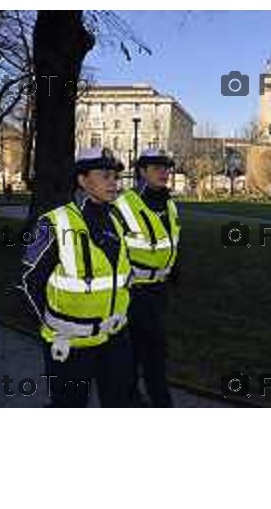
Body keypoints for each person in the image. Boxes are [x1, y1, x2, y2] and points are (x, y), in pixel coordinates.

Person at [19, 147, 134, 407]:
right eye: (105, 175)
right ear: (82, 180)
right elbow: (28, 283)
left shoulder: (116, 220)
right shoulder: (53, 223)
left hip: (114, 340)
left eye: (115, 176)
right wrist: (54, 327)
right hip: (70, 345)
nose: (113, 182)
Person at [113, 148, 180, 407]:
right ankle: (152, 401)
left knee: (147, 349)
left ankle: (135, 397)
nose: (164, 173)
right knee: (146, 351)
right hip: (134, 290)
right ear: (142, 171)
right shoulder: (125, 204)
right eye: (156, 168)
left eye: (166, 168)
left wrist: (174, 268)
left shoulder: (168, 203)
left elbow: (170, 240)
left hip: (159, 289)